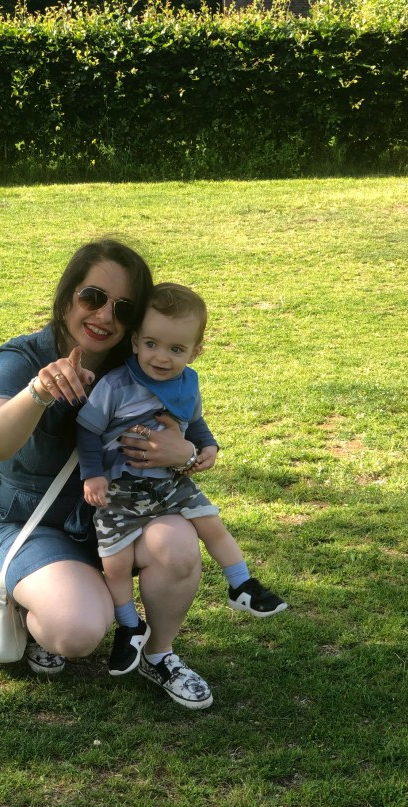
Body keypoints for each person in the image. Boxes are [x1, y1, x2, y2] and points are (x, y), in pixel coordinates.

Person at [0, 240, 214, 710]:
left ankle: (159, 654)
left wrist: (185, 452)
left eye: (122, 307)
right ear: (67, 296)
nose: (105, 315)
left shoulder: (144, 364)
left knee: (180, 543)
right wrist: (39, 391)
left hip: (121, 517)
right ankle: (39, 608)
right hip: (39, 525)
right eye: (92, 297)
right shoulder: (21, 358)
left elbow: (191, 432)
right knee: (79, 630)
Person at [77, 282, 287, 676]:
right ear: (136, 341)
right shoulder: (117, 385)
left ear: (195, 352)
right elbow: (88, 431)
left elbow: (195, 420)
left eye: (176, 349)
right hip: (119, 489)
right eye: (153, 344)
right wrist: (93, 476)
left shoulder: (187, 382)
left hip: (169, 482)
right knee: (115, 561)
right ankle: (129, 625)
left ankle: (241, 584)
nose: (162, 357)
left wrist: (207, 446)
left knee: (211, 522)